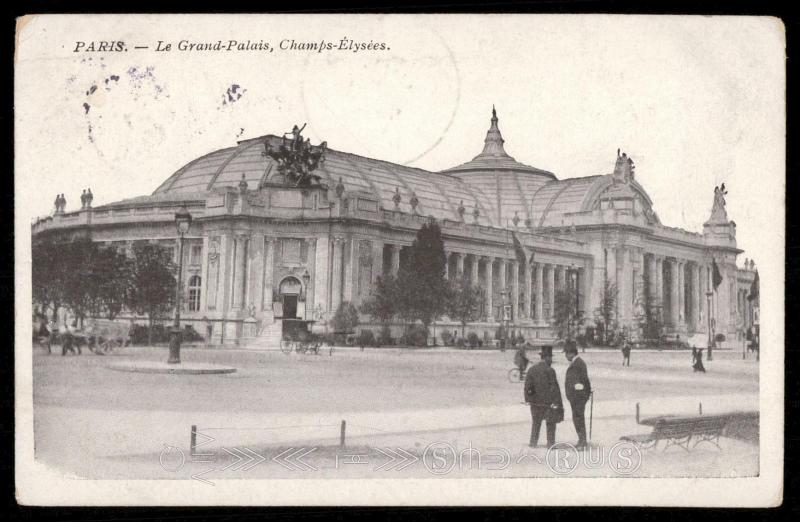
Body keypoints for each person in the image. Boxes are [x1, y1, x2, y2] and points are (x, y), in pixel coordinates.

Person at [524, 345, 564, 448]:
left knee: (536, 423)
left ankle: (533, 443)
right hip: (548, 403)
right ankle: (550, 444)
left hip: (535, 403)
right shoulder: (550, 370)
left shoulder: (532, 369)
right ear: (546, 357)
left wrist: (529, 399)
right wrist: (557, 402)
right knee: (550, 424)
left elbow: (527, 387)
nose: (551, 360)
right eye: (550, 357)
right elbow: (554, 388)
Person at [564, 342, 592, 449]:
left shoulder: (578, 363)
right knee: (577, 418)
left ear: (572, 353)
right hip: (576, 397)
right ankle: (581, 440)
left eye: (566, 353)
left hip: (578, 398)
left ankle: (582, 442)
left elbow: (583, 381)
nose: (566, 356)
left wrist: (583, 393)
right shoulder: (577, 363)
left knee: (578, 418)